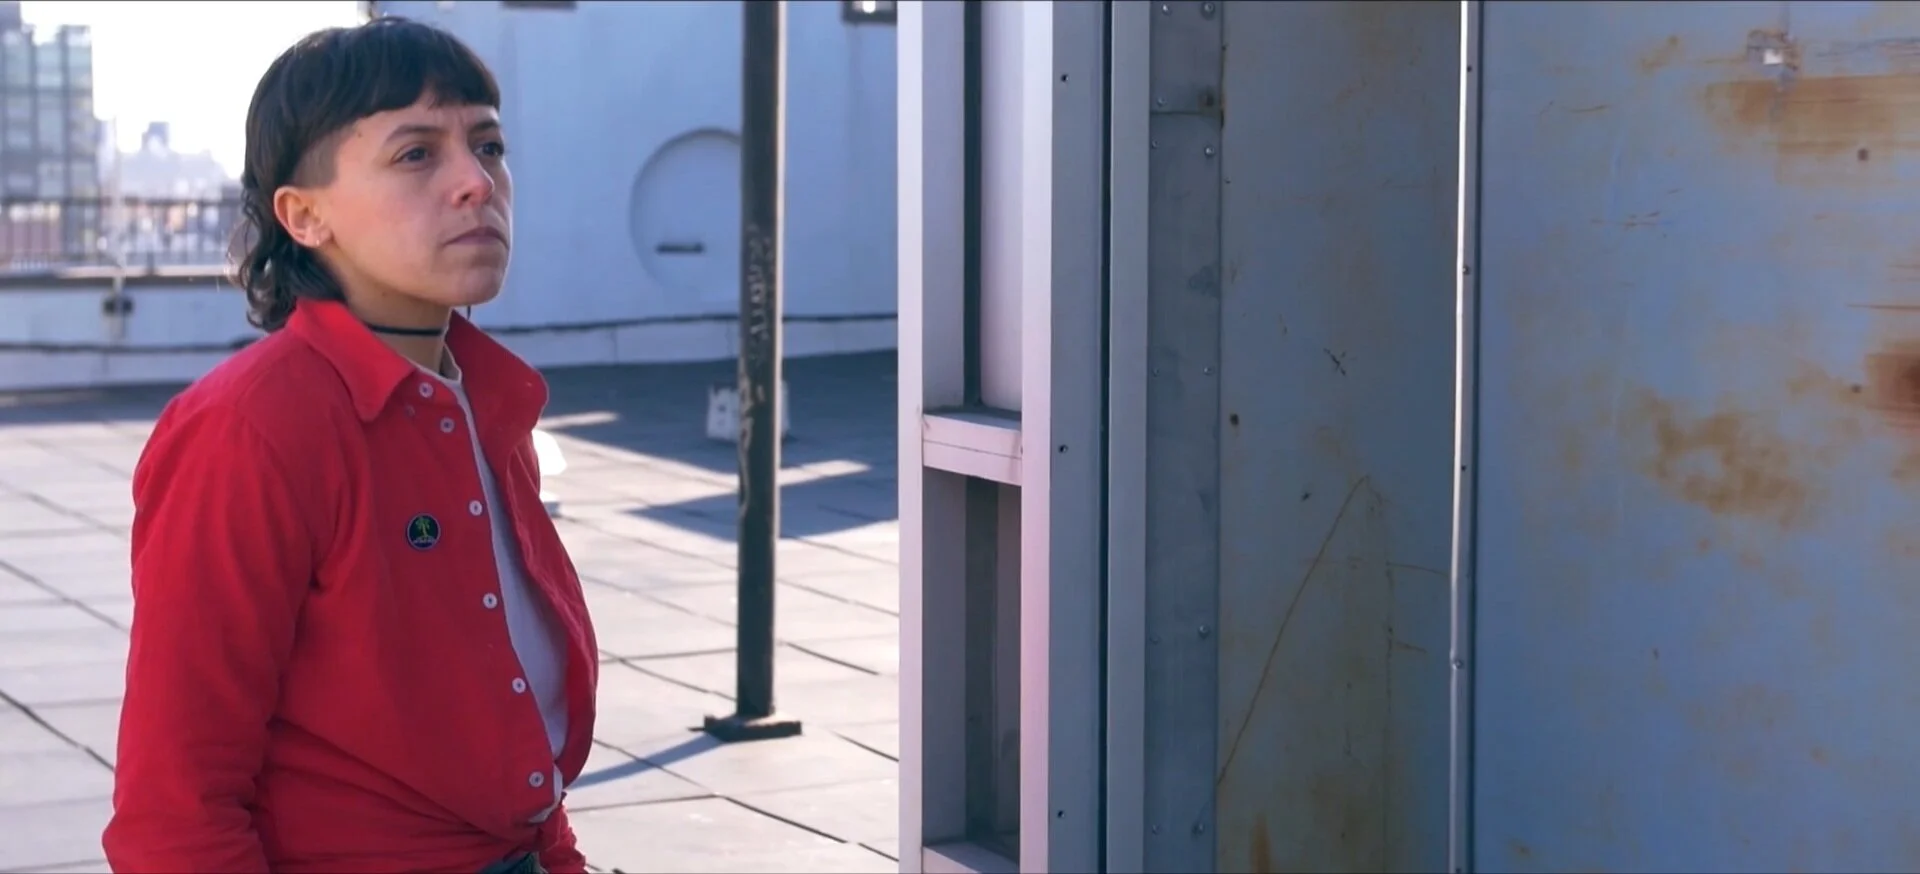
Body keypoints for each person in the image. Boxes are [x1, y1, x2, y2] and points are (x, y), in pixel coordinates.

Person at [102, 17, 598, 874]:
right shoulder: (253, 428)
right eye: (416, 154)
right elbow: (175, 810)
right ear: (304, 215)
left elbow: (515, 725)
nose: (476, 183)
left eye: (488, 145)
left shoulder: (484, 401)